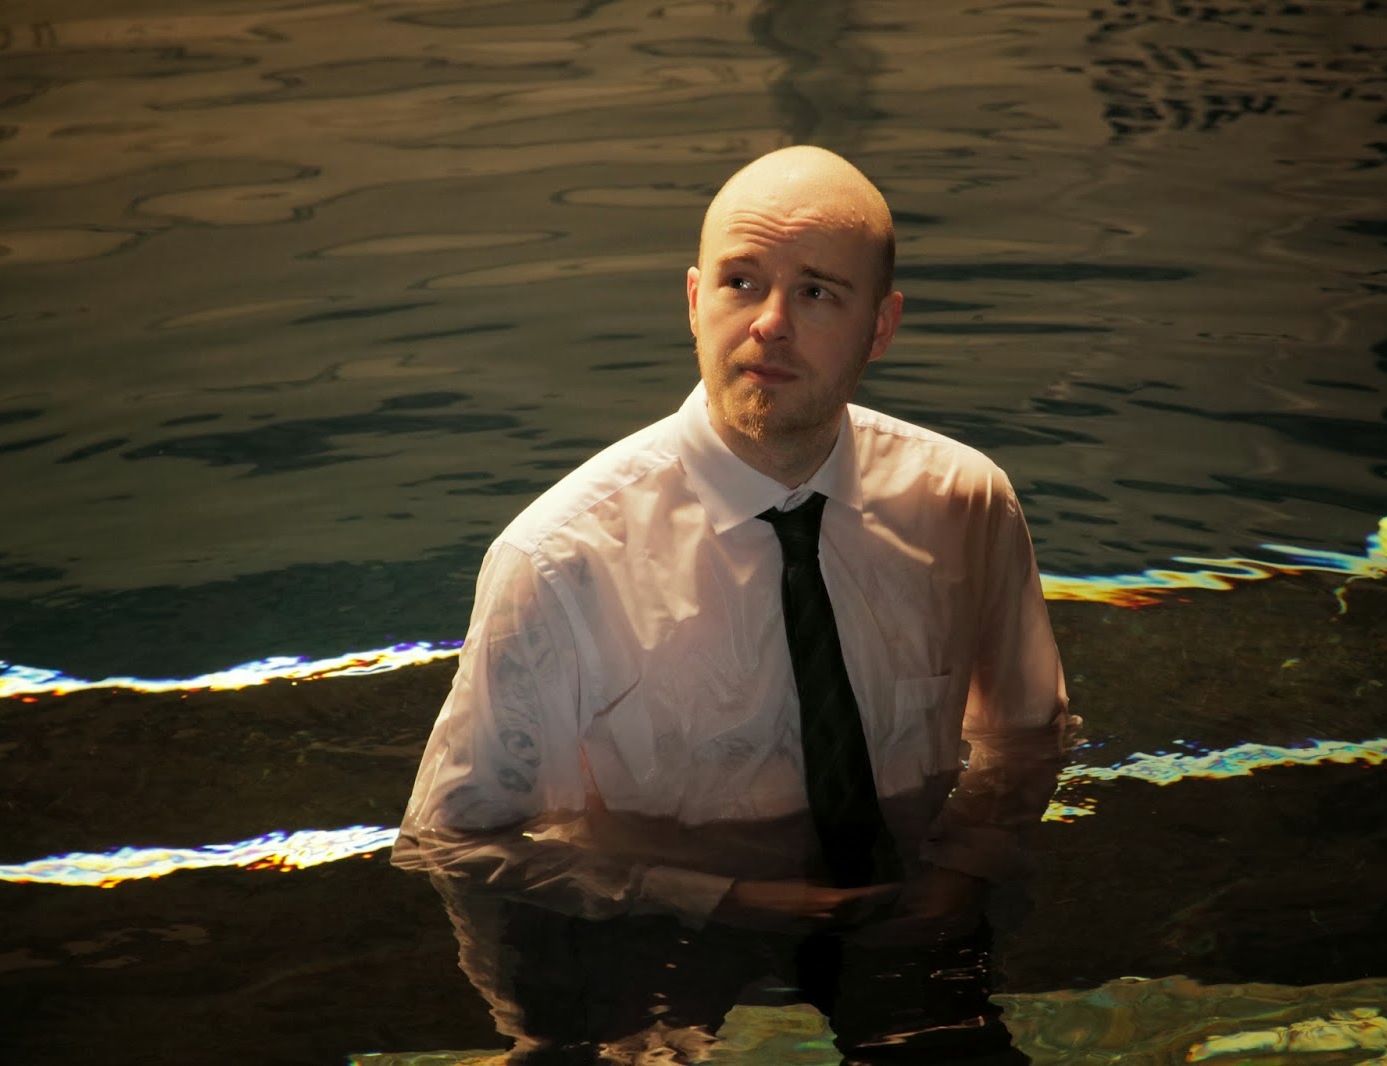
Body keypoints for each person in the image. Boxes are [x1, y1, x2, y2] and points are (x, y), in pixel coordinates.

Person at [393, 145, 1078, 1065]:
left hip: (909, 914)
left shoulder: (963, 503)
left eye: (818, 293)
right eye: (740, 282)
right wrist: (714, 902)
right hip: (663, 944)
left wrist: (956, 876)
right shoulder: (561, 559)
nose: (769, 324)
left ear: (881, 326)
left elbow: (1028, 735)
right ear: (693, 300)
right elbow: (454, 843)